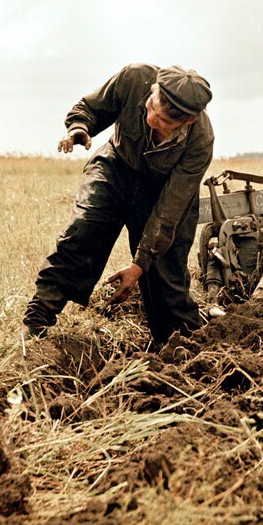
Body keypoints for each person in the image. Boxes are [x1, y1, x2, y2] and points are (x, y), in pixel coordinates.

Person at [23, 64, 214, 346]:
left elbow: (169, 210)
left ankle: (177, 345)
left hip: (162, 189)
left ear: (186, 122)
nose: (151, 119)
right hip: (116, 165)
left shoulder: (200, 140)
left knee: (165, 270)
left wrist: (139, 265)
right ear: (153, 90)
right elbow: (90, 107)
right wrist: (79, 127)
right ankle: (37, 320)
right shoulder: (134, 78)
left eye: (161, 121)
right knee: (83, 232)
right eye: (150, 107)